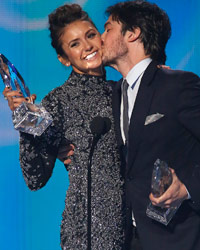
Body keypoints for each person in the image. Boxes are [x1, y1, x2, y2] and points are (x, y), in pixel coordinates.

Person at [3, 4, 125, 250]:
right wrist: (26, 122)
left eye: (91, 35)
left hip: (136, 226)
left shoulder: (125, 90)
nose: (88, 46)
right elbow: (35, 178)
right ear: (63, 58)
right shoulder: (58, 102)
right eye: (75, 44)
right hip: (88, 233)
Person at [101, 1, 200, 250]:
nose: (100, 39)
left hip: (178, 238)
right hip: (130, 239)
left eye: (108, 29)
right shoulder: (113, 94)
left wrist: (188, 188)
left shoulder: (178, 86)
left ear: (132, 33)